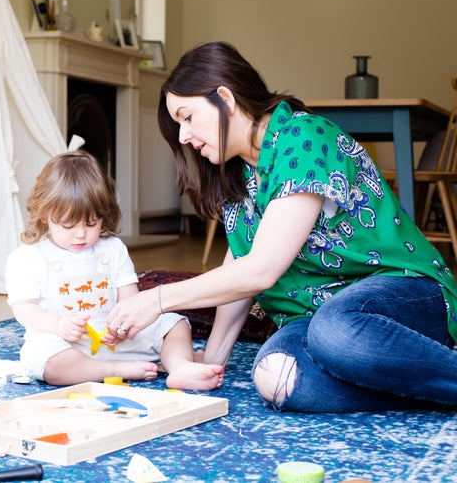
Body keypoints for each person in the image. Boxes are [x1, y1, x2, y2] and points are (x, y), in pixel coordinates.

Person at [106, 41, 457, 413]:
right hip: (312, 316)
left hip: (400, 295)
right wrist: (211, 359)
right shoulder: (238, 171)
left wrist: (157, 299)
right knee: (277, 377)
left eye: (187, 116)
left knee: (335, 330)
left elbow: (261, 269)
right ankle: (420, 385)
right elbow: (240, 264)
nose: (183, 136)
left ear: (224, 98)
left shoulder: (304, 139)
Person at [5, 151, 223, 390]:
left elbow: (130, 299)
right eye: (68, 225)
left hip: (115, 341)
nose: (80, 234)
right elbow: (25, 310)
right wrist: (57, 325)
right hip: (65, 343)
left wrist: (123, 327)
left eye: (91, 223)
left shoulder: (113, 249)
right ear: (45, 215)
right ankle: (113, 370)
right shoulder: (27, 257)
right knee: (45, 359)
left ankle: (181, 366)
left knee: (174, 323)